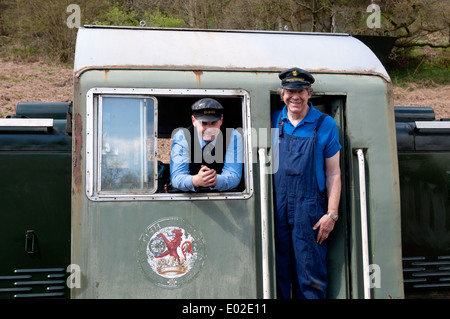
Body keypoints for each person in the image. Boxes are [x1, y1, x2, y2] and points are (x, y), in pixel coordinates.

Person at [272, 67, 342, 299]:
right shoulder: (272, 120)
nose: (295, 96)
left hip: (310, 211)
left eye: (301, 90)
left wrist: (331, 214)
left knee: (310, 276)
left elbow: (333, 173)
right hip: (277, 208)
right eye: (290, 91)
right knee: (277, 273)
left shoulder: (325, 124)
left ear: (310, 93)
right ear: (282, 93)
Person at [170, 98, 243, 192]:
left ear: (221, 120)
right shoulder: (182, 136)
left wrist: (214, 180)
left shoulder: (233, 136)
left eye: (214, 123)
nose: (209, 129)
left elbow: (234, 176)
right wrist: (196, 181)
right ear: (193, 121)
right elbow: (177, 177)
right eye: (203, 123)